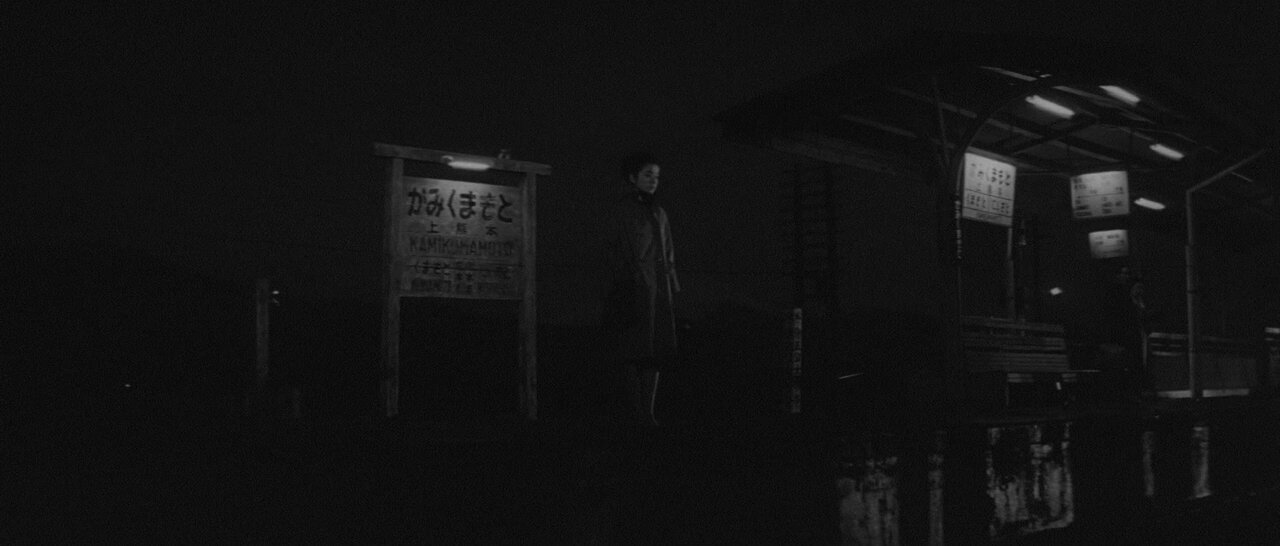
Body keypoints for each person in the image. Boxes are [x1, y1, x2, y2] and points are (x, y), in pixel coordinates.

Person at [602, 152, 679, 428]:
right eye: (647, 175)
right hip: (633, 289)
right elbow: (613, 250)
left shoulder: (659, 213)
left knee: (655, 353)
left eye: (656, 176)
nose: (653, 181)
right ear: (632, 177)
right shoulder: (622, 210)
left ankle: (648, 413)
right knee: (633, 350)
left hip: (658, 291)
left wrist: (671, 286)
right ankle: (636, 413)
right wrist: (624, 280)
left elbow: (668, 253)